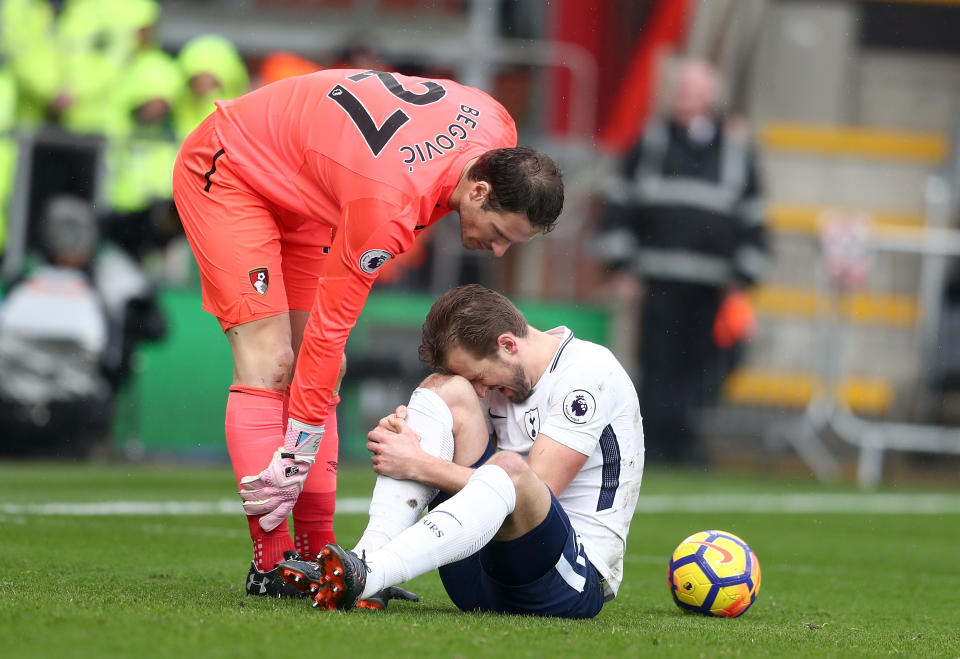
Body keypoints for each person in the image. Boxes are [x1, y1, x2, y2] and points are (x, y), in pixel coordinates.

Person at [171, 69, 564, 597]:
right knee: (271, 363)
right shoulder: (389, 206)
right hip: (234, 169)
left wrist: (302, 438)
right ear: (479, 188)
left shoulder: (498, 126)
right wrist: (296, 451)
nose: (496, 251)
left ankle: (320, 558)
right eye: (497, 233)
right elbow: (330, 332)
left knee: (324, 373)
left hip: (310, 187)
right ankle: (270, 566)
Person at [276, 284, 643, 617]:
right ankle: (368, 563)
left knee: (512, 470)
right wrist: (406, 430)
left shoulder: (589, 373)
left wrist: (417, 463)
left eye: (481, 377)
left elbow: (538, 486)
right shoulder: (500, 374)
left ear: (508, 345)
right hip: (479, 572)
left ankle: (370, 574)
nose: (482, 391)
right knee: (443, 389)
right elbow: (450, 422)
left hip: (565, 581)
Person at [593, 58, 769, 465]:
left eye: (694, 92)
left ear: (712, 97)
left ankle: (686, 441)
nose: (685, 99)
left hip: (712, 287)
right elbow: (619, 205)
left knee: (704, 366)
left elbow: (754, 216)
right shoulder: (651, 142)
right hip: (656, 281)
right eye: (681, 90)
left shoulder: (737, 149)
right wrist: (621, 267)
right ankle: (656, 445)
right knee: (656, 364)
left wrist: (743, 276)